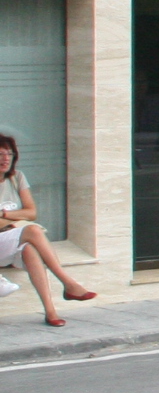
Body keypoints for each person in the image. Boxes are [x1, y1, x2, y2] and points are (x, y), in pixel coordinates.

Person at [0, 133, 98, 326]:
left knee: (30, 249)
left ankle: (50, 311)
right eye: (0, 154)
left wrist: (5, 215)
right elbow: (26, 216)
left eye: (9, 154)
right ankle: (68, 283)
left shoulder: (17, 178)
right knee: (33, 231)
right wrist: (17, 217)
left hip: (10, 240)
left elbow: (32, 212)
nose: (5, 159)